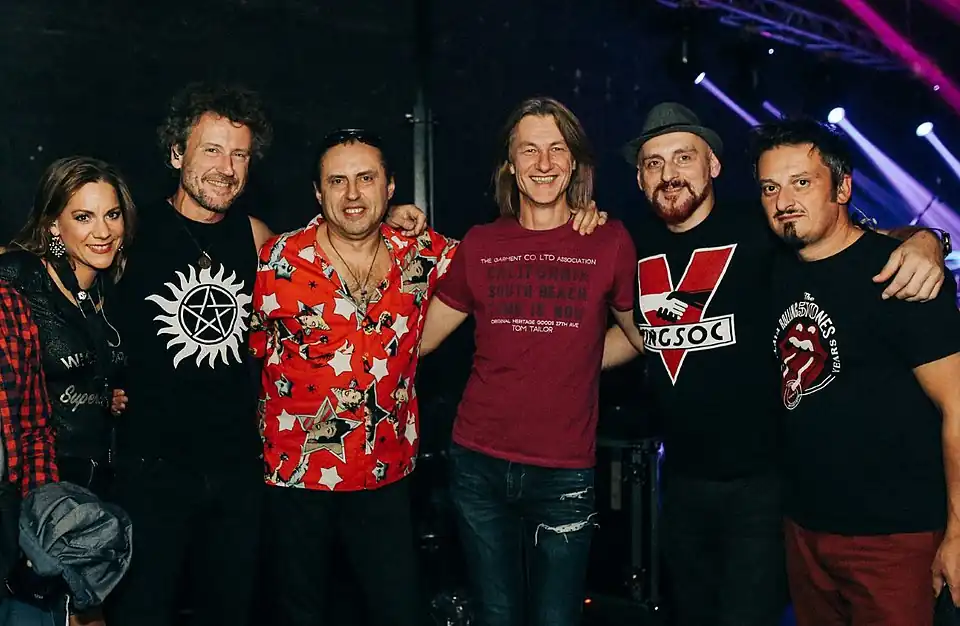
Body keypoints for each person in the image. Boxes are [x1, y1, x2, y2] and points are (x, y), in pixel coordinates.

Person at [601, 102, 948, 626]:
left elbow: (860, 241)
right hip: (683, 483)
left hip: (765, 486)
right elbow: (644, 336)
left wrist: (929, 240)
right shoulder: (631, 243)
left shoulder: (762, 227)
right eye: (654, 163)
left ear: (713, 165)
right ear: (639, 178)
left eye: (684, 157)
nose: (669, 173)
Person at [251, 126, 603, 626]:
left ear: (390, 186)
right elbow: (245, 349)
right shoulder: (277, 260)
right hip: (296, 477)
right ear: (317, 192)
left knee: (399, 611)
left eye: (366, 179)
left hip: (386, 475)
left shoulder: (424, 253)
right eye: (337, 181)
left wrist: (579, 218)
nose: (353, 195)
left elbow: (510, 253)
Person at [417, 97, 637, 626]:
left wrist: (573, 359)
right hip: (478, 464)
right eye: (529, 150)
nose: (543, 163)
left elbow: (642, 337)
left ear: (574, 162)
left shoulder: (608, 240)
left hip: (564, 472)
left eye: (557, 149)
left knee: (556, 618)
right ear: (510, 165)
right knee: (497, 615)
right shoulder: (481, 243)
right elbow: (419, 339)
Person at [751, 118, 960, 626]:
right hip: (805, 530)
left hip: (894, 538)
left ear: (842, 188)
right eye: (771, 188)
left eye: (802, 182)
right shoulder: (773, 268)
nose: (784, 201)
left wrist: (959, 533)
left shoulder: (902, 273)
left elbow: (958, 406)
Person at [0, 156, 134, 626]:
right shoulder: (20, 275)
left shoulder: (112, 288)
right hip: (38, 486)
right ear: (54, 224)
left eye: (112, 214)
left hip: (98, 482)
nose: (103, 231)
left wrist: (111, 393)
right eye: (83, 216)